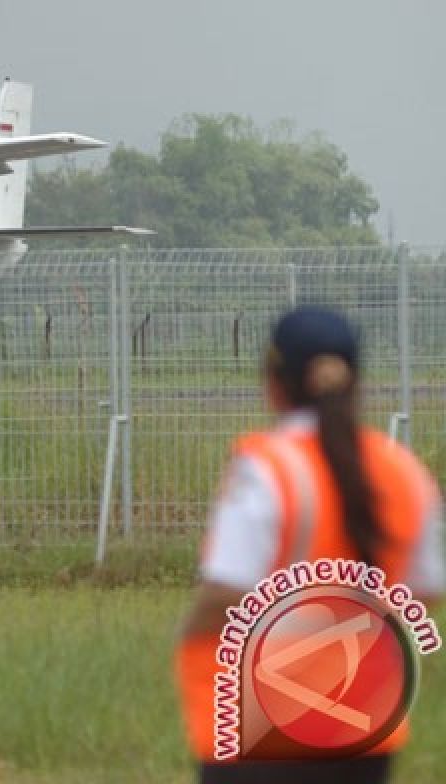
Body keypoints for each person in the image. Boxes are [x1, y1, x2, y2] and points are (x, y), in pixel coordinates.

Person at [175, 306, 444, 784]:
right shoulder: (405, 471)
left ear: (276, 384)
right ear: (356, 383)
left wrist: (188, 635)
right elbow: (427, 590)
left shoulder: (267, 468)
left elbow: (225, 591)